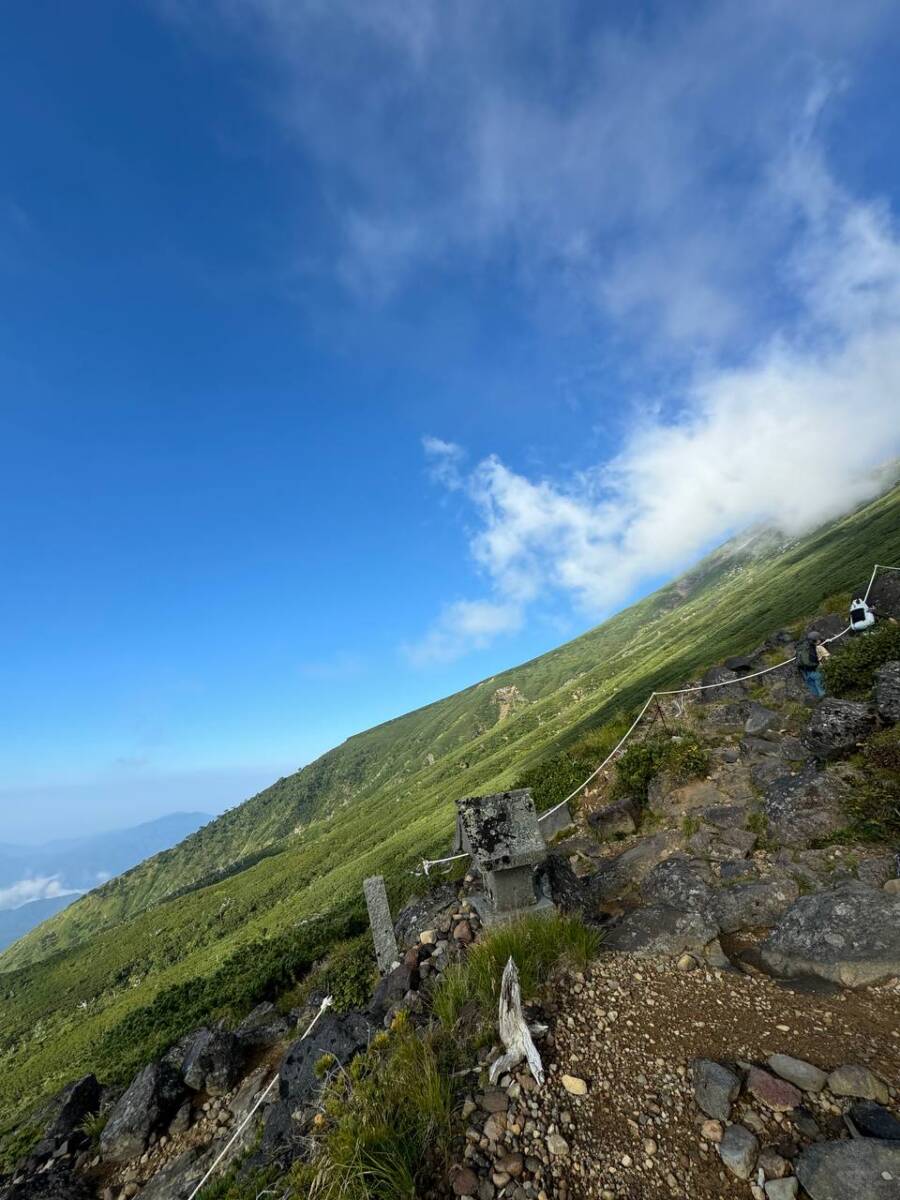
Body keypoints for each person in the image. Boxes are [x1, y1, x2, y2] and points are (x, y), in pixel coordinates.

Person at [797, 630, 829, 698]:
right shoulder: (819, 648)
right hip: (815, 670)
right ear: (816, 641)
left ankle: (818, 704)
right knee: (822, 690)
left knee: (814, 692)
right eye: (819, 639)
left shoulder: (801, 647)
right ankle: (826, 704)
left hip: (804, 672)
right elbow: (827, 658)